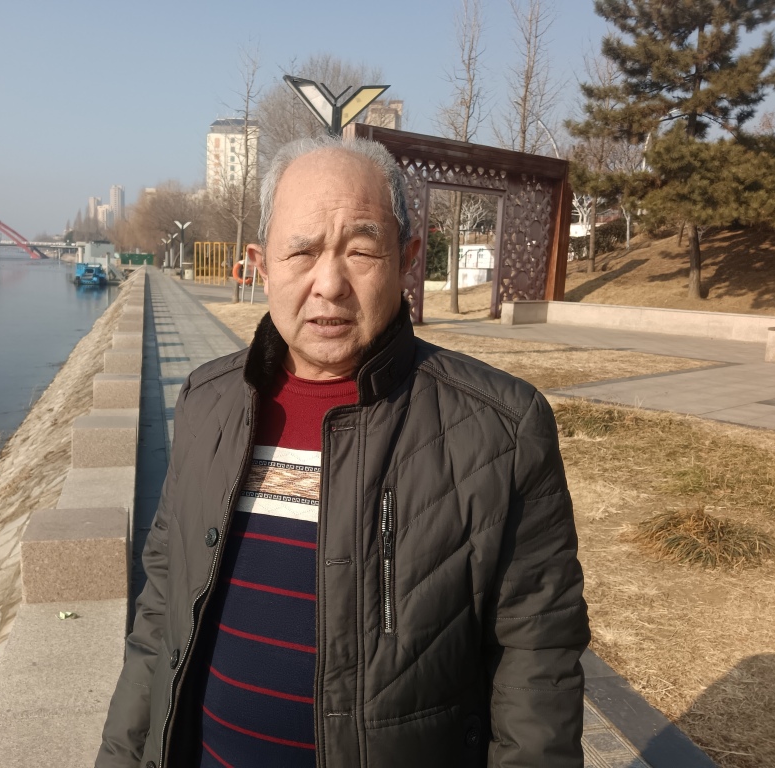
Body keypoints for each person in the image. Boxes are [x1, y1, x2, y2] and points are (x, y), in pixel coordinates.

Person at [96, 135, 589, 768]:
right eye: (302, 251)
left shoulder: (502, 429)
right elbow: (161, 611)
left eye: (361, 250)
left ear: (406, 260)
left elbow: (538, 663)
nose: (329, 284)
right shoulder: (206, 401)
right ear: (261, 265)